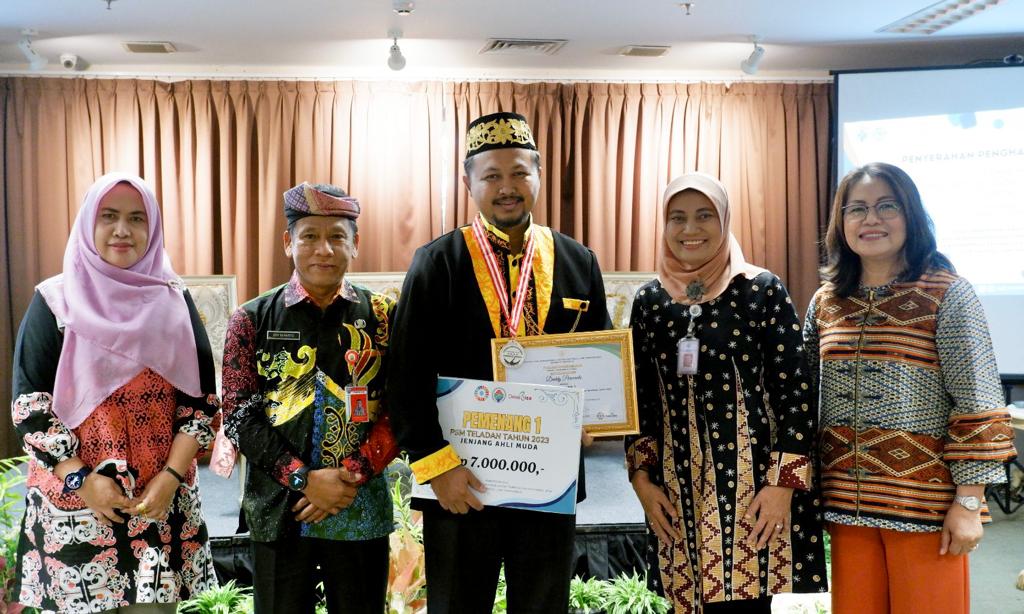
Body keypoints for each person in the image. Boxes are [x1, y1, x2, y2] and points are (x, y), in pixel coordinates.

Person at [387, 111, 610, 613]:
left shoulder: (578, 261)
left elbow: (598, 359)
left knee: (543, 606)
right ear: (469, 183)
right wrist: (437, 467)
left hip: (548, 479)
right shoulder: (437, 262)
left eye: (519, 173)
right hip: (462, 481)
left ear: (539, 175)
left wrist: (596, 418)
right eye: (491, 176)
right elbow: (405, 376)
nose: (507, 187)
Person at [804, 162, 1016, 614]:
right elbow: (803, 400)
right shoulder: (826, 302)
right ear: (841, 222)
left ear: (911, 215)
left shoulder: (948, 293)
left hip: (926, 510)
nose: (871, 219)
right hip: (846, 506)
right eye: (857, 209)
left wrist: (968, 503)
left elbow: (978, 404)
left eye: (887, 206)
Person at [10, 172, 220, 612]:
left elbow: (202, 403)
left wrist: (170, 477)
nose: (122, 230)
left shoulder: (174, 300)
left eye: (136, 218)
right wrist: (81, 480)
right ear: (88, 222)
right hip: (75, 508)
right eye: (108, 216)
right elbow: (30, 407)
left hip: (159, 505)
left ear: (153, 227)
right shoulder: (54, 301)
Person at [625, 172, 828, 614]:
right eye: (677, 217)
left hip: (752, 491)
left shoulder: (761, 290)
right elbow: (639, 398)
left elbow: (796, 394)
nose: (690, 229)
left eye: (704, 216)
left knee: (744, 603)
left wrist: (782, 486)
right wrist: (641, 480)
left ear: (725, 220)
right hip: (675, 491)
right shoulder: (650, 301)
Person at [221, 182, 399, 613]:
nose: (324, 249)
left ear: (355, 243)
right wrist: (306, 480)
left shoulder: (383, 317)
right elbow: (239, 417)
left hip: (358, 506)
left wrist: (350, 476)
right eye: (310, 236)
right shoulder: (250, 319)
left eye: (337, 236)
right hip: (279, 508)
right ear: (288, 242)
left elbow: (402, 408)